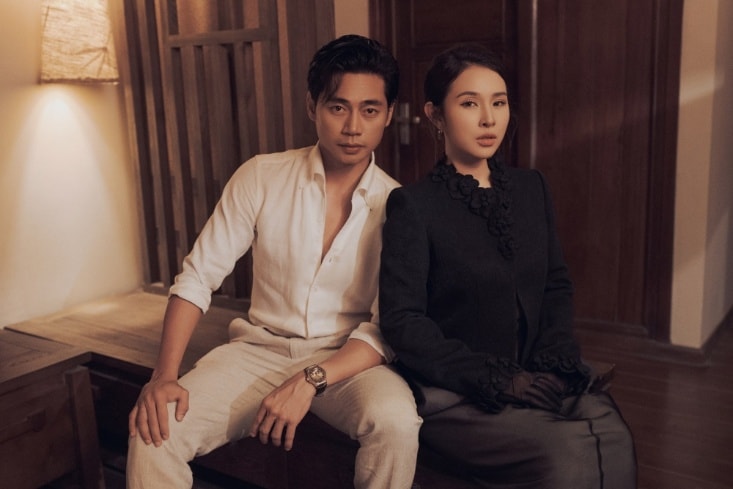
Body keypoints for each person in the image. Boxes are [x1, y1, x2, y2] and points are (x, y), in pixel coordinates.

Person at [126, 34, 422, 489]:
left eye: (369, 110)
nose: (353, 127)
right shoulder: (262, 176)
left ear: (388, 113)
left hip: (348, 361)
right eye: (338, 107)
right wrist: (163, 376)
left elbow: (387, 326)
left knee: (397, 423)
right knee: (154, 431)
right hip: (256, 352)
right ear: (312, 107)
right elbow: (198, 277)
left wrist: (310, 379)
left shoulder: (398, 205)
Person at [379, 44, 637, 488]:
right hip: (459, 392)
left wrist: (552, 363)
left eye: (498, 103)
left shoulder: (531, 187)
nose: (489, 119)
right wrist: (498, 379)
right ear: (435, 115)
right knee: (571, 452)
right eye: (469, 104)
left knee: (612, 436)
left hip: (539, 375)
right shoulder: (413, 206)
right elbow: (403, 321)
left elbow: (555, 284)